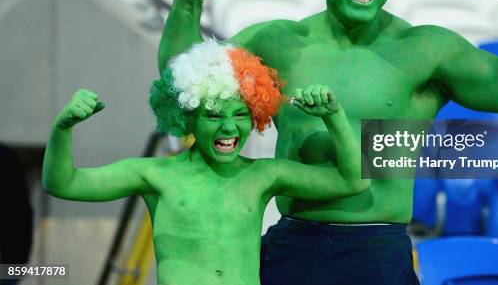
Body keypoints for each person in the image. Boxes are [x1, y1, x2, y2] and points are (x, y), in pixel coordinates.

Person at [158, 0, 498, 285]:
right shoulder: (279, 42)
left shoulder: (426, 49)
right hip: (292, 244)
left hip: (377, 250)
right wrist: (188, 4)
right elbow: (186, 82)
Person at [42, 39, 369, 285]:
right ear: (187, 118)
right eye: (213, 115)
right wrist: (62, 128)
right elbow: (63, 183)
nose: (229, 127)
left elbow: (354, 181)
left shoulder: (264, 174)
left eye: (241, 114)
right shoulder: (154, 174)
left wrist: (334, 117)